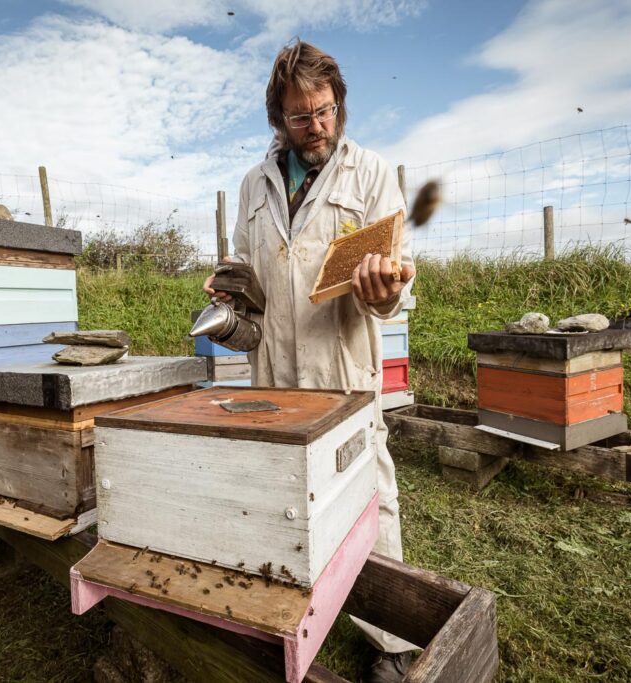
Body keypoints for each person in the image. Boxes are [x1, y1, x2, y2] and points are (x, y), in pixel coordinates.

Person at [203, 39, 417, 682]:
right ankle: (290, 614)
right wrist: (231, 291)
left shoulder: (371, 173)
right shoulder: (252, 186)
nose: (317, 126)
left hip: (341, 368)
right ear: (279, 121)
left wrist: (388, 287)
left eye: (326, 111)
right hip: (274, 374)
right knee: (282, 498)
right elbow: (252, 278)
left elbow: (397, 281)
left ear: (338, 104)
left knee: (366, 494)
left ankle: (393, 643)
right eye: (301, 117)